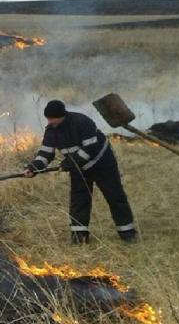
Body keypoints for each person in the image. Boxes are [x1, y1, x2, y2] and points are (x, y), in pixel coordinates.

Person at [24, 100, 137, 244]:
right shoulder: (51, 130)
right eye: (48, 119)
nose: (50, 122)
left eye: (53, 118)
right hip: (79, 167)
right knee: (79, 201)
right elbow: (46, 153)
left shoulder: (82, 122)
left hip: (102, 163)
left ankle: (127, 233)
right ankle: (79, 237)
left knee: (114, 196)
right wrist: (34, 168)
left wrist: (67, 164)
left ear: (62, 115)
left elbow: (89, 149)